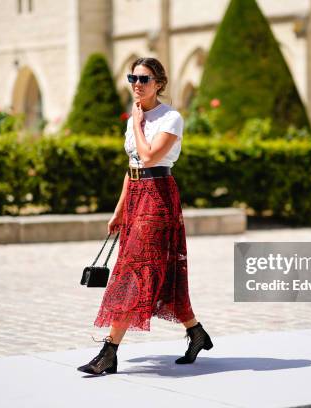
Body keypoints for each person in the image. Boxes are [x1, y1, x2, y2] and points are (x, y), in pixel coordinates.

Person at [77, 57, 213, 375]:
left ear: (159, 84)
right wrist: (119, 210)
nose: (137, 85)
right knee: (161, 274)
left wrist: (138, 124)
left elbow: (150, 156)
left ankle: (109, 351)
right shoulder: (133, 119)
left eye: (144, 79)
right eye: (133, 78)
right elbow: (133, 167)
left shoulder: (171, 118)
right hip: (138, 198)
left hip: (159, 198)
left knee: (133, 273)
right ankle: (196, 332)